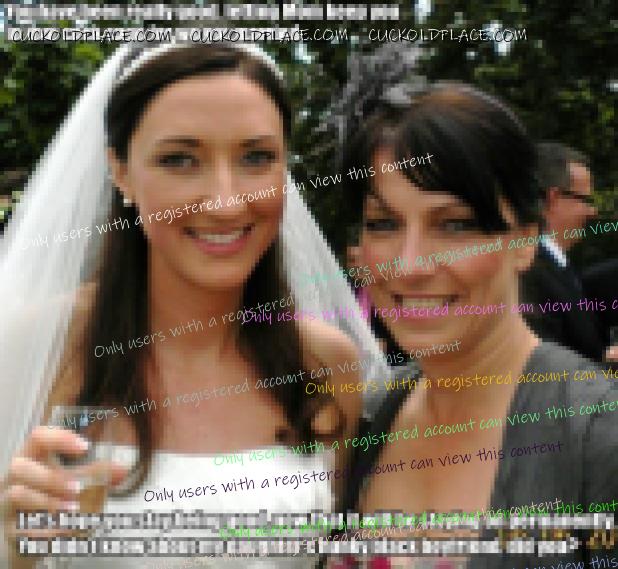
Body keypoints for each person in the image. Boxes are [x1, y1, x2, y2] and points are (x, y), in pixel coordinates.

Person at [0, 43, 388, 568]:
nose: (225, 202)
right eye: (180, 160)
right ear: (120, 170)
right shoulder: (32, 344)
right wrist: (14, 549)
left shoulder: (325, 363)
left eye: (256, 158)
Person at [332, 49, 617, 568]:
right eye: (384, 224)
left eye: (455, 225)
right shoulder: (372, 417)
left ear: (524, 242)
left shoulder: (598, 435)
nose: (409, 265)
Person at [520, 142, 603, 361]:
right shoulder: (528, 274)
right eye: (586, 200)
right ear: (553, 199)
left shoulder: (559, 269)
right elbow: (544, 366)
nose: (593, 212)